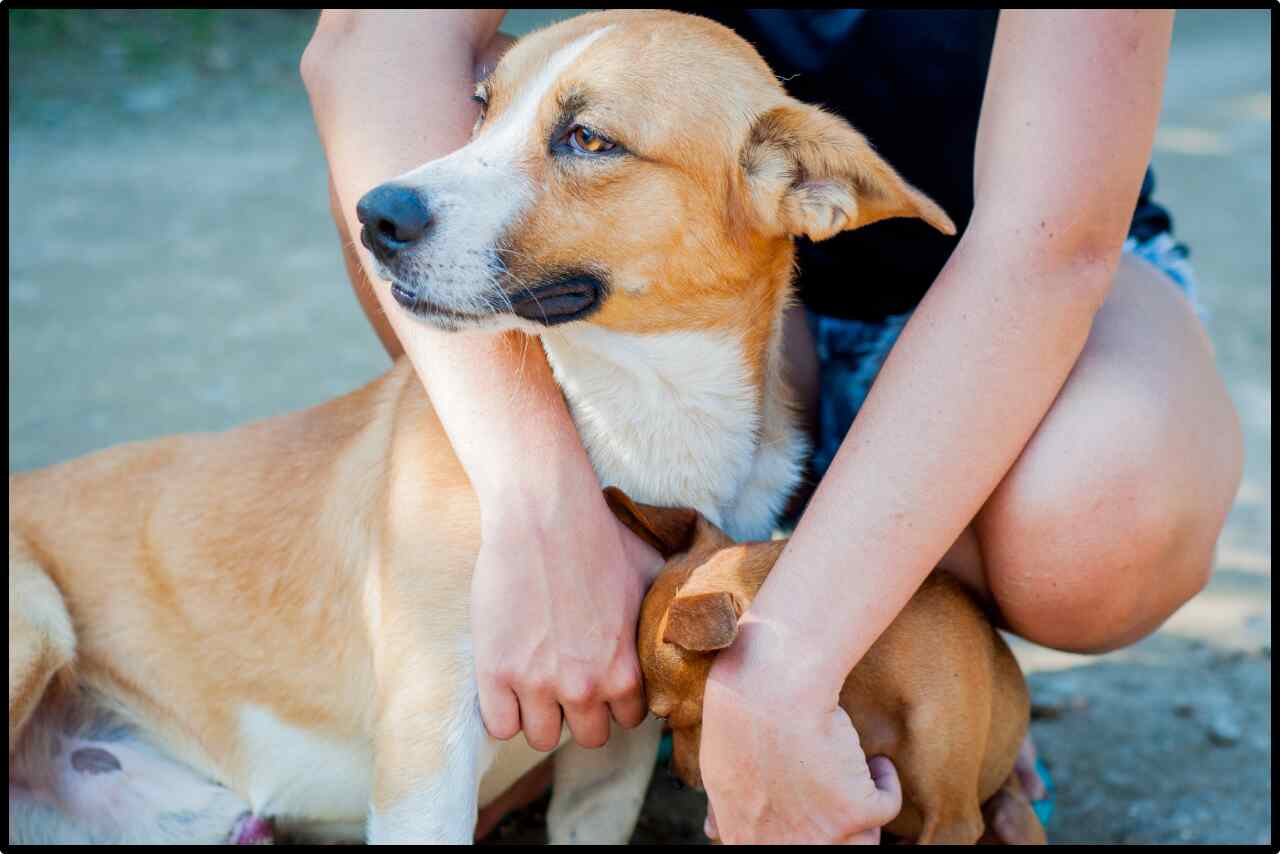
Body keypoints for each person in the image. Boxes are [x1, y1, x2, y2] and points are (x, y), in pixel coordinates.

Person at [301, 9, 1243, 843]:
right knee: (409, 101)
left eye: (578, 138)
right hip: (719, 286)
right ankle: (618, 633)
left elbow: (1047, 248)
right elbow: (371, 45)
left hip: (1004, 275)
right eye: (488, 110)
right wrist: (541, 505)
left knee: (1097, 518)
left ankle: (938, 681)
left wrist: (784, 676)